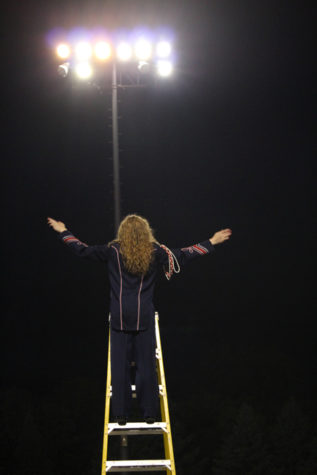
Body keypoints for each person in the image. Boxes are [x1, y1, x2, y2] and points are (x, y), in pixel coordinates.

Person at [48, 214, 231, 424]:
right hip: (143, 317)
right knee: (146, 367)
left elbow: (81, 249)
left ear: (122, 233)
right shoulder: (155, 252)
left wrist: (63, 231)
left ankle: (121, 413)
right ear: (146, 232)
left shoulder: (113, 250)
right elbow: (183, 254)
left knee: (119, 367)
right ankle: (150, 413)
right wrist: (212, 242)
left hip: (119, 317)